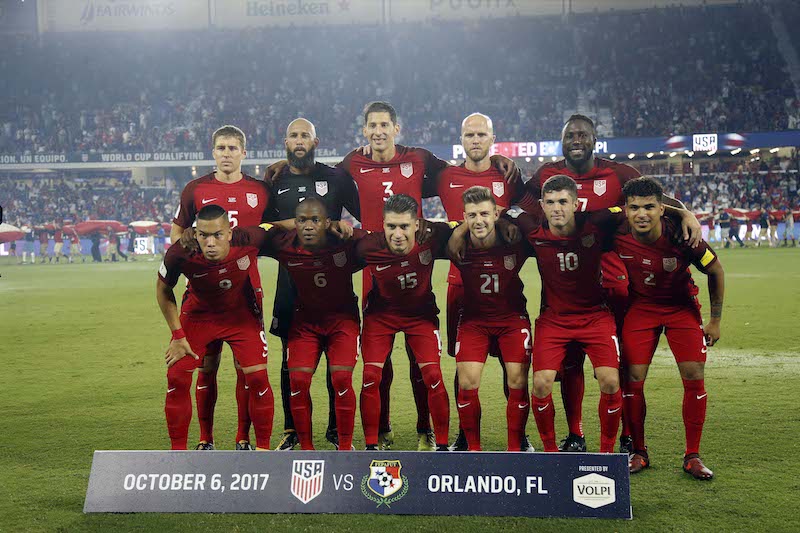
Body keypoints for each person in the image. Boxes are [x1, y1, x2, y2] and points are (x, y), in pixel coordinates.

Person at [521, 114, 700, 454]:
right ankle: (576, 434)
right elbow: (521, 205)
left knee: (620, 366)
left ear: (594, 140)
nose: (576, 140)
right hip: (562, 284)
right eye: (570, 135)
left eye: (583, 135)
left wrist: (684, 212)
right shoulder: (546, 174)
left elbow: (651, 198)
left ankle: (628, 437)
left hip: (615, 283)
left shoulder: (619, 173)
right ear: (562, 141)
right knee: (570, 362)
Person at [435, 112, 534, 452]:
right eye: (468, 135)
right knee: (461, 365)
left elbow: (528, 210)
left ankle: (518, 435)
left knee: (515, 367)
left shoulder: (509, 174)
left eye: (481, 134)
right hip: (459, 283)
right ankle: (465, 435)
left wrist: (506, 216)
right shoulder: (444, 175)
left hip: (503, 284)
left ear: (493, 139)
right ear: (460, 139)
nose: (474, 140)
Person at [171, 125, 272, 451]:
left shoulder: (260, 190)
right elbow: (177, 236)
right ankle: (205, 439)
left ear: (244, 152)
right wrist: (193, 267)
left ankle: (243, 438)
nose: (226, 154)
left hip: (246, 295)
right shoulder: (195, 190)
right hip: (204, 296)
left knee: (248, 370)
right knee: (206, 368)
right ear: (213, 152)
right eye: (221, 148)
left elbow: (274, 231)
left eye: (232, 148)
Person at [615, 177, 724, 480]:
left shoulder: (682, 235)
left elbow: (714, 269)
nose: (642, 214)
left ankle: (693, 455)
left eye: (649, 207)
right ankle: (639, 451)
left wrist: (714, 319)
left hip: (681, 310)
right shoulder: (617, 231)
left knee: (694, 376)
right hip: (641, 310)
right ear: (625, 209)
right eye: (635, 207)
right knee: (633, 380)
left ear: (662, 209)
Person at [266, 118, 361, 451]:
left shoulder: (336, 178)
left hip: (333, 281)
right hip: (290, 282)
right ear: (285, 142)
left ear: (316, 141)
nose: (299, 140)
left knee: (336, 361)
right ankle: (291, 431)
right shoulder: (273, 181)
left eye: (305, 135)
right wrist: (288, 223)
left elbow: (365, 218)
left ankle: (336, 429)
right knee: (289, 359)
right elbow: (261, 226)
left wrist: (347, 228)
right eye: (293, 135)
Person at [156, 205, 274, 451]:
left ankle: (263, 451)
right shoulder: (180, 252)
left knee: (258, 378)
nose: (210, 242)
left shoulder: (250, 238)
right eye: (203, 235)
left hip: (241, 316)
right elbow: (163, 289)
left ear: (230, 232)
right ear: (194, 234)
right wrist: (178, 336)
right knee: (176, 376)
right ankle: (178, 454)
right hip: (198, 315)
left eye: (217, 235)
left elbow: (280, 228)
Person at [256, 198, 363, 451]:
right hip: (305, 323)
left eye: (315, 220)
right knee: (298, 382)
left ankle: (345, 447)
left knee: (341, 379)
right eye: (301, 220)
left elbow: (382, 242)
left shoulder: (346, 243)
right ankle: (306, 449)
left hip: (342, 322)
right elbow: (253, 233)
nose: (307, 226)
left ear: (327, 223)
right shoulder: (284, 244)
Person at [355, 194, 452, 451]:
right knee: (370, 376)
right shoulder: (368, 246)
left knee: (432, 374)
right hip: (380, 316)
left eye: (404, 226)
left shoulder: (434, 236)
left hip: (420, 316)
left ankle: (436, 441)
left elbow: (461, 228)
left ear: (417, 225)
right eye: (391, 226)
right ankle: (372, 444)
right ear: (383, 225)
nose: (397, 234)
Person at [446, 186, 532, 451]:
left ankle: (516, 445)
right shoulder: (458, 243)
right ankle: (472, 448)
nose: (478, 220)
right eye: (472, 215)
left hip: (512, 320)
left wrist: (505, 221)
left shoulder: (515, 239)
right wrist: (459, 231)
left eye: (484, 213)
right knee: (466, 382)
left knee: (517, 380)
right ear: (464, 217)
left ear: (496, 213)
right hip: (474, 321)